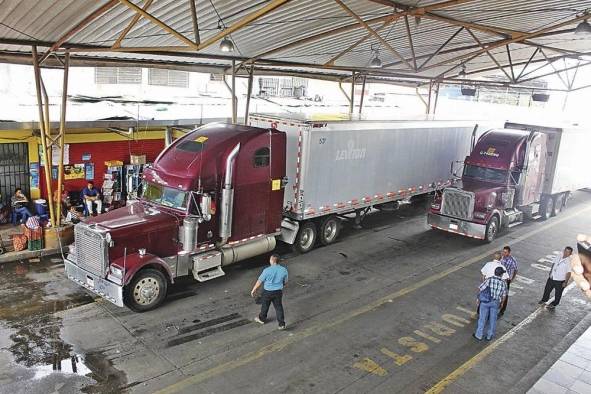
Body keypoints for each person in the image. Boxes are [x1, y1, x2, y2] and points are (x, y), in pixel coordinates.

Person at [250, 254, 288, 330]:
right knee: (278, 307)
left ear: (272, 261)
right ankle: (281, 324)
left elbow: (259, 281)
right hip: (278, 292)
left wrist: (254, 289)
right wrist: (280, 286)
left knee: (265, 305)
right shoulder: (284, 270)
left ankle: (262, 319)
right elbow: (285, 281)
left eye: (270, 259)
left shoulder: (267, 270)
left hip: (267, 292)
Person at [474, 266, 508, 341]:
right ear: (501, 274)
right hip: (495, 302)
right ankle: (489, 335)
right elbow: (504, 295)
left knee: (482, 318)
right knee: (493, 319)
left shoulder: (489, 280)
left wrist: (478, 299)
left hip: (485, 301)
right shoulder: (503, 283)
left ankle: (479, 335)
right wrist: (502, 303)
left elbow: (480, 288)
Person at [499, 246, 518, 316]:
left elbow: (516, 270)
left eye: (505, 252)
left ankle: (502, 309)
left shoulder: (512, 260)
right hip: (499, 278)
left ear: (509, 253)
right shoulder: (501, 257)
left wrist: (512, 278)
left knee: (505, 294)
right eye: (503, 251)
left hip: (506, 279)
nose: (503, 253)